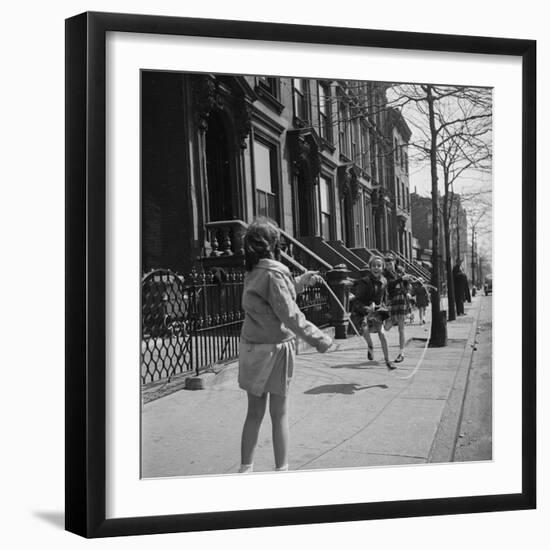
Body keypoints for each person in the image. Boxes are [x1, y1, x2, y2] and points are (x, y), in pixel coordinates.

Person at [238, 217, 333, 474]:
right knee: (278, 414)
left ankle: (245, 469)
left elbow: (273, 302)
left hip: (252, 349)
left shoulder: (253, 270)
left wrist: (300, 281)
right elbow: (289, 315)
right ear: (273, 244)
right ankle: (282, 471)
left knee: (253, 414)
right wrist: (320, 339)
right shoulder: (275, 272)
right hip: (275, 350)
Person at [350, 256, 395, 370]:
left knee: (382, 334)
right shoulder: (364, 282)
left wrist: (384, 308)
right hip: (363, 312)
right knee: (365, 329)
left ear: (382, 267)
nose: (376, 268)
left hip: (376, 311)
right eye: (374, 265)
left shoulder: (384, 281)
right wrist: (366, 309)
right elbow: (356, 301)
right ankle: (370, 346)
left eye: (379, 265)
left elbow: (384, 297)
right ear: (370, 268)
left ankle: (387, 360)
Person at [383, 254, 411, 363]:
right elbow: (390, 285)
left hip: (402, 300)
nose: (389, 266)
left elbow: (406, 283)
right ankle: (391, 321)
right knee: (386, 327)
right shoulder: (385, 274)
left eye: (390, 263)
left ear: (394, 262)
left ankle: (401, 353)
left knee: (401, 329)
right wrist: (401, 279)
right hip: (392, 301)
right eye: (387, 264)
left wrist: (408, 292)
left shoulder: (400, 271)